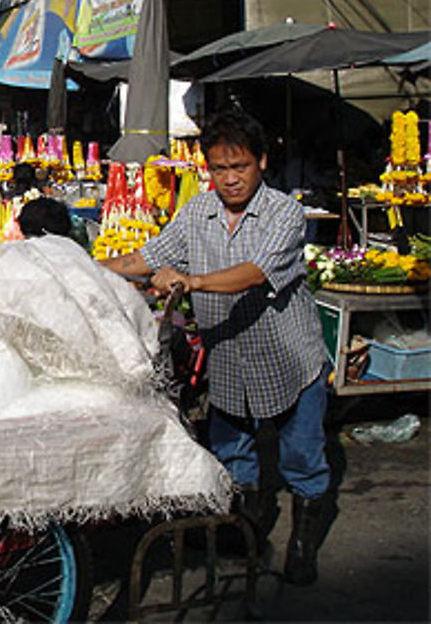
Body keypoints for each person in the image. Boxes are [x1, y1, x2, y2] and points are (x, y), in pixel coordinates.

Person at [100, 109, 331, 587]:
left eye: (239, 167)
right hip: (229, 358)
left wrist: (192, 280)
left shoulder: (284, 212)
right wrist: (89, 266)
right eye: (220, 169)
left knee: (302, 458)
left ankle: (303, 549)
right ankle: (247, 539)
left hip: (289, 358)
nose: (230, 179)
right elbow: (147, 257)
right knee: (233, 457)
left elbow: (255, 272)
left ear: (262, 161)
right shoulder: (196, 213)